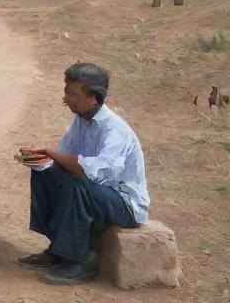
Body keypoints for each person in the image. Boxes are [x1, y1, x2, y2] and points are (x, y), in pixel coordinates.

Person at [18, 62, 149, 285]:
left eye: (72, 94)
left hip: (124, 203)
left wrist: (52, 152)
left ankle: (79, 260)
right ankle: (58, 249)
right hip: (96, 193)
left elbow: (88, 171)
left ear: (93, 97)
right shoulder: (81, 121)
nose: (65, 99)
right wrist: (42, 157)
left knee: (76, 183)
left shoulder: (115, 130)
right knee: (44, 171)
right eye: (66, 91)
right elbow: (64, 157)